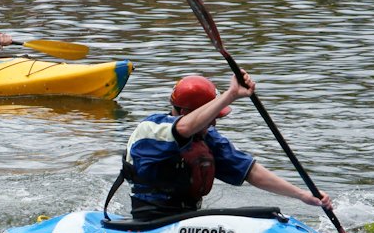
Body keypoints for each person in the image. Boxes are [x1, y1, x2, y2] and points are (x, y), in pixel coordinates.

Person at [116, 72, 332, 221]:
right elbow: (182, 129)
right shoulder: (151, 130)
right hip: (148, 219)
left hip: (187, 217)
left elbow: (251, 172)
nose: (214, 123)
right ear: (184, 113)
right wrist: (231, 95)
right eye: (211, 116)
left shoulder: (208, 138)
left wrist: (302, 195)